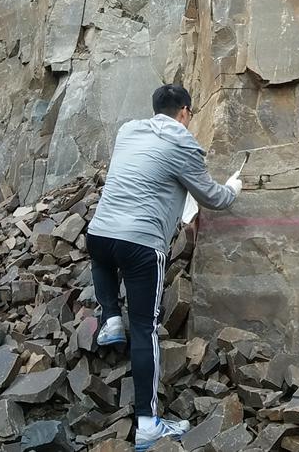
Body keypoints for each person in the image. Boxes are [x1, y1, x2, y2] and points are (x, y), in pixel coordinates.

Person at [86, 84, 241, 450]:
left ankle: (110, 319)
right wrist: (233, 188)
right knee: (144, 329)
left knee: (104, 254)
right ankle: (147, 424)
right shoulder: (182, 142)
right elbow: (211, 197)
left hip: (99, 234)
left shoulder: (128, 131)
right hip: (141, 245)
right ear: (185, 112)